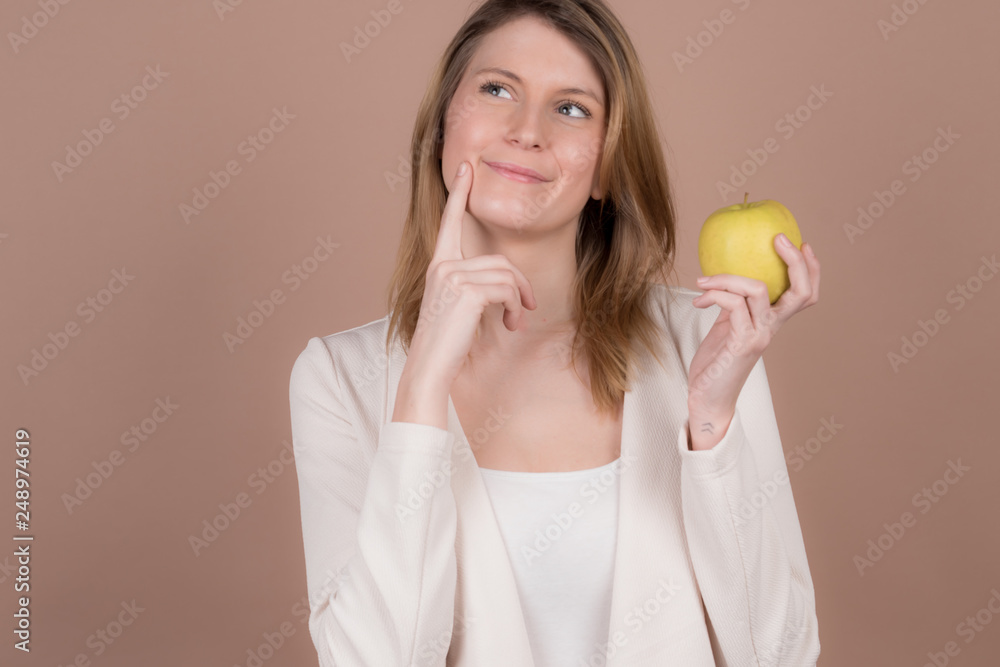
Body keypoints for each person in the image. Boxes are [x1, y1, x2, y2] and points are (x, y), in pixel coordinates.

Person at [288, 0, 822, 665]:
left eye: (571, 108)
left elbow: (778, 653)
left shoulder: (706, 340)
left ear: (605, 165)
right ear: (441, 129)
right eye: (496, 89)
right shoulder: (337, 377)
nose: (526, 130)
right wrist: (421, 388)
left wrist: (710, 423)